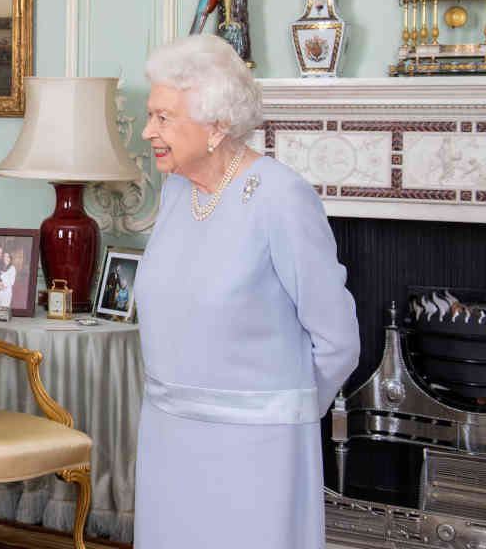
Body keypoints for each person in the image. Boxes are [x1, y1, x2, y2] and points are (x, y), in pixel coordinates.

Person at [132, 35, 359, 548]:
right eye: (151, 116)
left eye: (164, 118)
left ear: (216, 126)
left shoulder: (280, 197)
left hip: (258, 450)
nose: (149, 132)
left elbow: (338, 338)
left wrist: (283, 413)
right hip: (169, 435)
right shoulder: (177, 190)